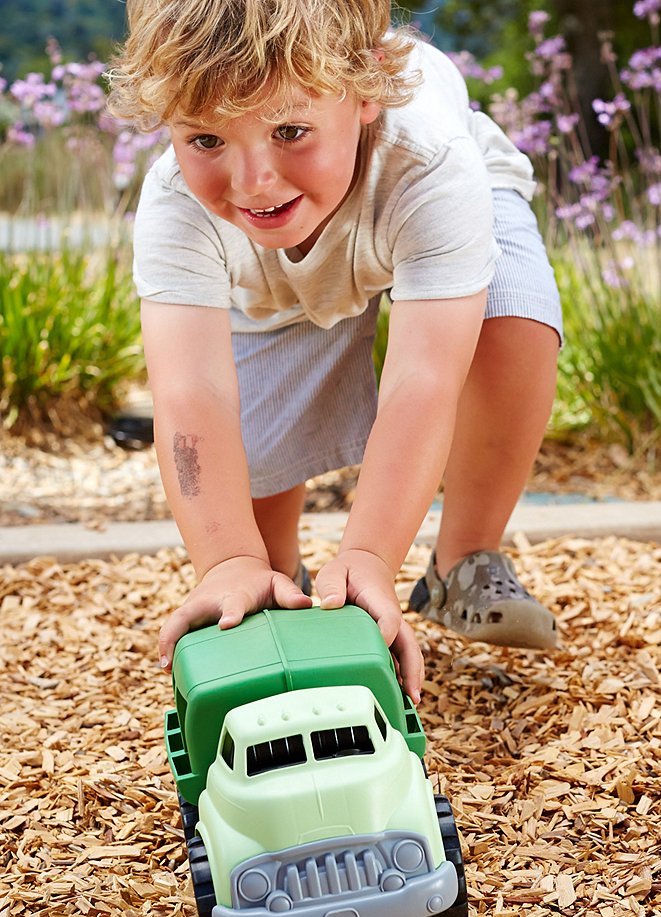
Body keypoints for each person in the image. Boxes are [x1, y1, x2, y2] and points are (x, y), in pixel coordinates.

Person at [107, 0, 562, 704]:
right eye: (204, 140)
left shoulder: (432, 161)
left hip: (413, 206)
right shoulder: (181, 205)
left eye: (290, 130)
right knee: (251, 517)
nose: (253, 178)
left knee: (512, 323)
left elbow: (423, 381)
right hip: (264, 270)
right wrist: (227, 560)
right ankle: (273, 579)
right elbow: (190, 393)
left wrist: (369, 557)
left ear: (369, 90)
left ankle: (463, 560)